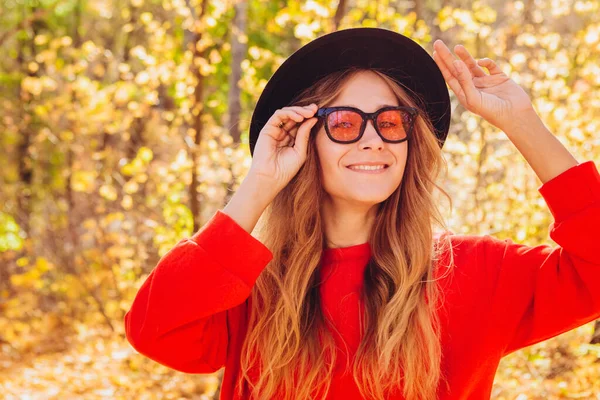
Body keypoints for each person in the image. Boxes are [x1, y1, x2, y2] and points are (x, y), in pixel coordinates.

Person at [124, 28, 600, 400]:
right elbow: (154, 329)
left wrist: (522, 122)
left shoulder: (474, 272)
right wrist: (259, 183)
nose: (373, 139)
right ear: (302, 140)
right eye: (345, 122)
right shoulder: (251, 289)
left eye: (391, 122)